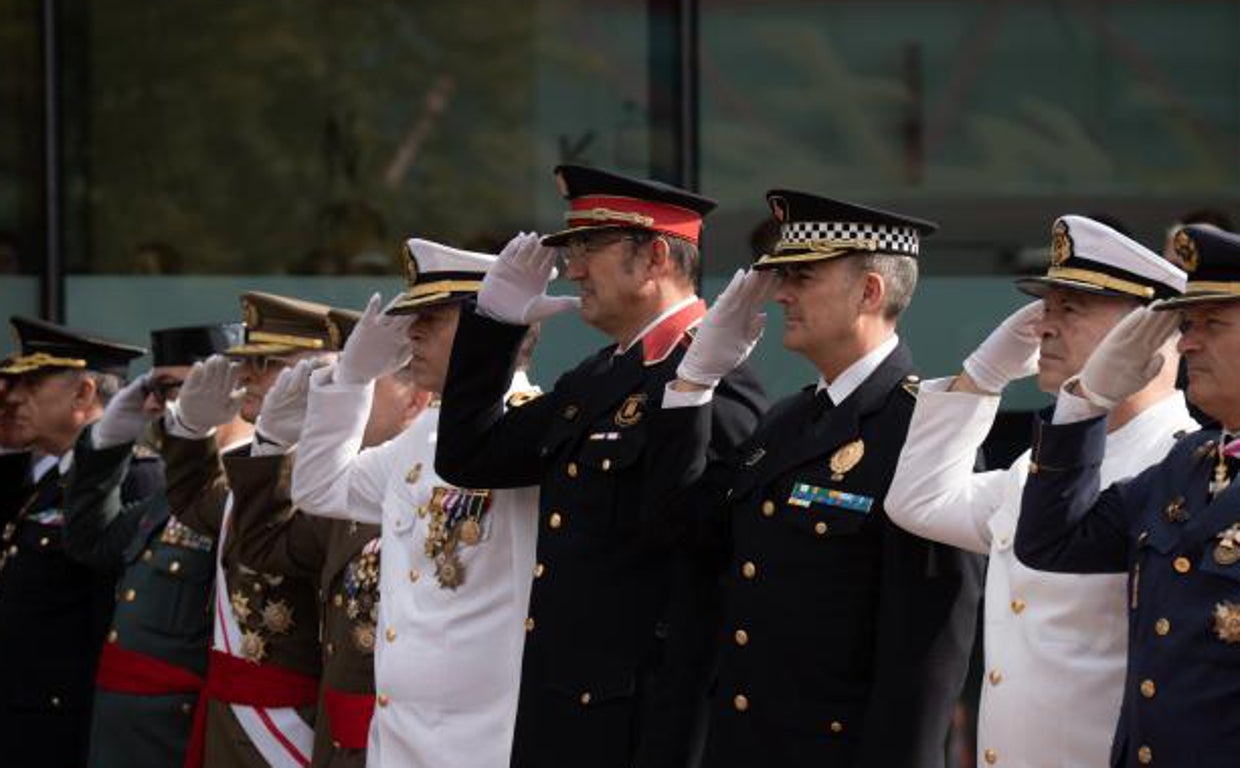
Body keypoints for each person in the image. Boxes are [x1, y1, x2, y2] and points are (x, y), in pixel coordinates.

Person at [434, 166, 767, 768]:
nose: (575, 268)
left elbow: (707, 551)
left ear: (655, 257)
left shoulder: (715, 377)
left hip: (644, 725)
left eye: (591, 248)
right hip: (561, 711)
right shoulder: (597, 375)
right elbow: (468, 455)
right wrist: (495, 327)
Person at [666, 190, 983, 768]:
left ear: (869, 291)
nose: (782, 293)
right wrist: (691, 387)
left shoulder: (927, 431)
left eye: (803, 277)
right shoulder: (787, 419)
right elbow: (687, 531)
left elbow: (927, 656)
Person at [884, 215, 1196, 767]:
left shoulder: (1181, 468)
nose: (1044, 328)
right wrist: (982, 378)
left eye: (1071, 309)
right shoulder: (1040, 464)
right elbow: (919, 502)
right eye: (1046, 309)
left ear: (1152, 331)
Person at [291, 239, 541, 768]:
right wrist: (350, 381)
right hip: (399, 741)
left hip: (483, 746)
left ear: (491, 324)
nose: (412, 332)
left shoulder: (531, 429)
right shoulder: (422, 436)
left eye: (434, 317)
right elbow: (318, 488)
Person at [1016, 224, 1240, 767]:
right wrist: (1085, 404)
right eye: (1186, 324)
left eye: (1211, 323)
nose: (1187, 342)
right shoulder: (1189, 465)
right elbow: (1051, 544)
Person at [231, 305, 430, 768]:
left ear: (414, 400)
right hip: (340, 744)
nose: (339, 400)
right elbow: (264, 548)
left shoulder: (428, 478)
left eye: (361, 385)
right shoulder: (351, 488)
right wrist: (271, 444)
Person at [159, 293, 341, 768]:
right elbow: (196, 504)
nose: (247, 376)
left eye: (268, 363)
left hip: (291, 722)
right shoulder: (257, 469)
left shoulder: (337, 475)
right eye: (247, 361)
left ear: (322, 373)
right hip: (230, 710)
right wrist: (191, 429)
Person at [62, 322, 249, 768]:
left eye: (170, 389)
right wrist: (109, 443)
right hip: (125, 730)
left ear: (231, 391)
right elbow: (91, 542)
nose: (153, 404)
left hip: (177, 733)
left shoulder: (247, 489)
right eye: (152, 388)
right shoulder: (174, 491)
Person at [0, 316, 161, 768]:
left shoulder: (136, 478)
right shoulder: (45, 473)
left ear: (84, 393)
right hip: (23, 714)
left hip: (68, 723)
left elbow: (116, 613)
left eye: (29, 384)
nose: (11, 396)